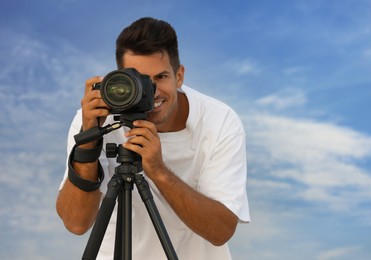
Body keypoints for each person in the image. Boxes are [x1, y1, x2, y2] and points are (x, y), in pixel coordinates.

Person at [56, 17, 250, 259]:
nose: (152, 92)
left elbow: (221, 231)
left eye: (160, 77)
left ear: (179, 76)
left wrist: (158, 171)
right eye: (140, 80)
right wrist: (88, 140)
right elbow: (76, 223)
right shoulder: (96, 119)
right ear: (122, 78)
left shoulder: (219, 121)